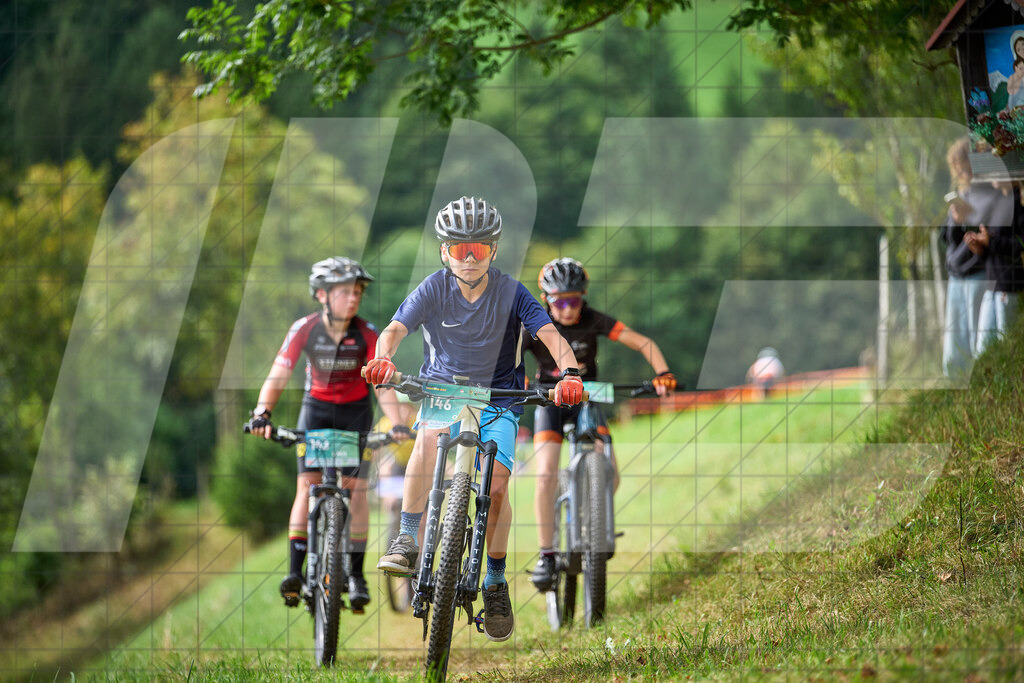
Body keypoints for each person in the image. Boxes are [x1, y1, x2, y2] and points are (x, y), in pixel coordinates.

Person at [362, 196, 584, 642]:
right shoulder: (433, 288)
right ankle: (407, 536)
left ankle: (496, 581)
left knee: (497, 488)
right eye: (458, 249)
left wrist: (571, 373)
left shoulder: (511, 292)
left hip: (499, 396)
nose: (467, 259)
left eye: (478, 250)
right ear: (444, 252)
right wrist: (383, 358)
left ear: (493, 251)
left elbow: (549, 334)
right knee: (426, 444)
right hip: (443, 389)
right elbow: (394, 329)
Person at [246, 256, 410, 610]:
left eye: (358, 293)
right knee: (306, 486)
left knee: (359, 492)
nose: (353, 299)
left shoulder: (367, 334)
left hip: (356, 415)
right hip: (316, 412)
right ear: (322, 294)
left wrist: (396, 422)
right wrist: (263, 412)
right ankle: (294, 571)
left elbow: (381, 385)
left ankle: (355, 574)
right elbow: (280, 372)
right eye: (345, 292)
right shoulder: (304, 329)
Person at [523, 257, 676, 592]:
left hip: (587, 400)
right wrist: (519, 380)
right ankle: (546, 554)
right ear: (546, 299)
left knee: (612, 474)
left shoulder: (593, 320)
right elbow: (509, 356)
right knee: (545, 474)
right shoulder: (535, 324)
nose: (568, 308)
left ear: (584, 298)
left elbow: (643, 343)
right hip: (550, 403)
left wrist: (662, 373)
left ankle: (592, 516)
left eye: (575, 300)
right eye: (560, 301)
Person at [940, 138, 987, 379]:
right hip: (956, 275)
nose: (961, 170)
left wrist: (970, 216)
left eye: (964, 163)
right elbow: (948, 239)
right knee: (955, 335)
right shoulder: (959, 194)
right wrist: (956, 219)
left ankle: (976, 379)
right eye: (956, 164)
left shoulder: (988, 192)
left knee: (974, 333)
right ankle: (954, 381)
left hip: (978, 273)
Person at [963, 181, 1024, 354]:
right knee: (982, 352)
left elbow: (1020, 245)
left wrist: (992, 242)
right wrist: (980, 248)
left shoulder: (1020, 203)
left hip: (1010, 288)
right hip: (992, 287)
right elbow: (993, 246)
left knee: (1009, 349)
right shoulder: (997, 200)